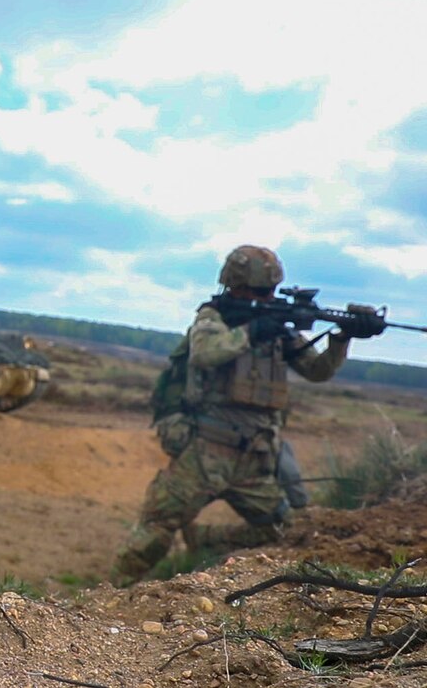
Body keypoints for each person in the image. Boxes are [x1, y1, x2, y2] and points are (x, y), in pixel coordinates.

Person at [109, 245, 385, 587]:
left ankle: (204, 541)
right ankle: (103, 599)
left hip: (256, 459)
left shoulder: (276, 329)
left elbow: (317, 371)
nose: (267, 297)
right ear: (235, 286)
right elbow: (207, 353)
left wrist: (342, 336)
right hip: (207, 454)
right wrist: (253, 331)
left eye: (270, 292)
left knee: (282, 532)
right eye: (259, 292)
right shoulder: (214, 319)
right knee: (155, 529)